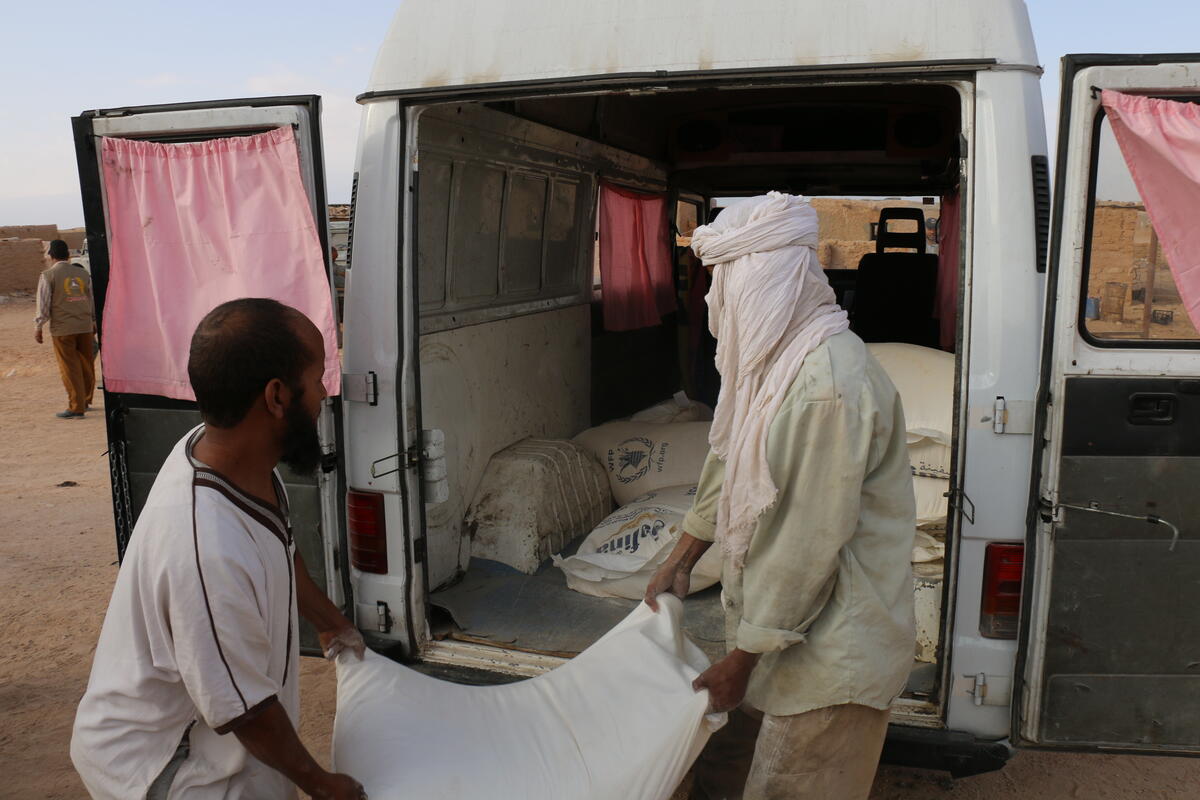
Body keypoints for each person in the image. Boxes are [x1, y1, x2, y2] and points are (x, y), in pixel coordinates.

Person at [644, 193, 917, 800]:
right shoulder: (773, 366)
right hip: (772, 631)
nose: (716, 300)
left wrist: (740, 663)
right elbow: (729, 458)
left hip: (831, 653)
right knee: (725, 772)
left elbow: (802, 544)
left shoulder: (827, 386)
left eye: (725, 281)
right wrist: (680, 558)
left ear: (764, 277)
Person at [71, 298, 367, 800]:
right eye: (317, 378)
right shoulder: (206, 548)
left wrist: (329, 621)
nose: (324, 393)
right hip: (167, 767)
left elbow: (280, 545)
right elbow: (244, 710)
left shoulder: (232, 455)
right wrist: (324, 786)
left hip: (208, 740)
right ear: (276, 396)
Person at [34, 239, 96, 418]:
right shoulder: (82, 274)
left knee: (69, 368)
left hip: (63, 329)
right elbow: (90, 299)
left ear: (51, 255)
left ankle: (76, 407)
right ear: (68, 255)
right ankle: (85, 400)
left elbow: (43, 304)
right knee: (86, 365)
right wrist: (92, 321)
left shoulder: (48, 275)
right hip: (84, 326)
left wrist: (39, 326)